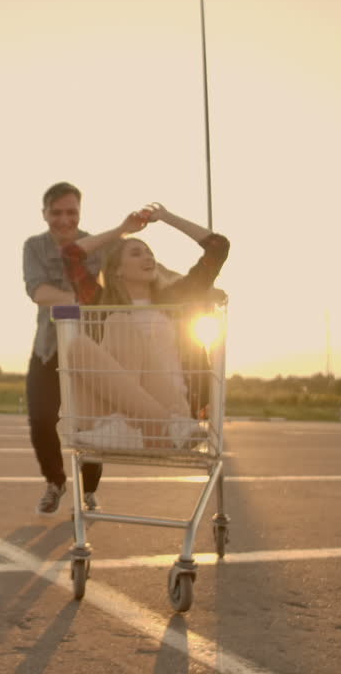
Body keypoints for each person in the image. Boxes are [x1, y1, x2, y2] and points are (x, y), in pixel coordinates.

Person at [57, 203, 229, 482]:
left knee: (117, 322)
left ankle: (163, 422)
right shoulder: (103, 302)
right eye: (136, 253)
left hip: (171, 404)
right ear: (117, 271)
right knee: (76, 346)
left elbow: (218, 247)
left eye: (150, 252)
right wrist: (121, 231)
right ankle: (149, 423)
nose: (147, 257)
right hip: (113, 420)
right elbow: (70, 255)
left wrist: (167, 217)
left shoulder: (175, 298)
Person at [22, 182, 112, 517]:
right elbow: (38, 292)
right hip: (48, 346)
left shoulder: (97, 247)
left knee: (90, 425)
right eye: (56, 212)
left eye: (70, 212)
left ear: (80, 212)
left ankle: (88, 492)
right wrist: (83, 299)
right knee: (41, 419)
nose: (64, 219)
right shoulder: (34, 247)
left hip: (90, 347)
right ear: (44, 213)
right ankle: (55, 482)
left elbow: (114, 289)